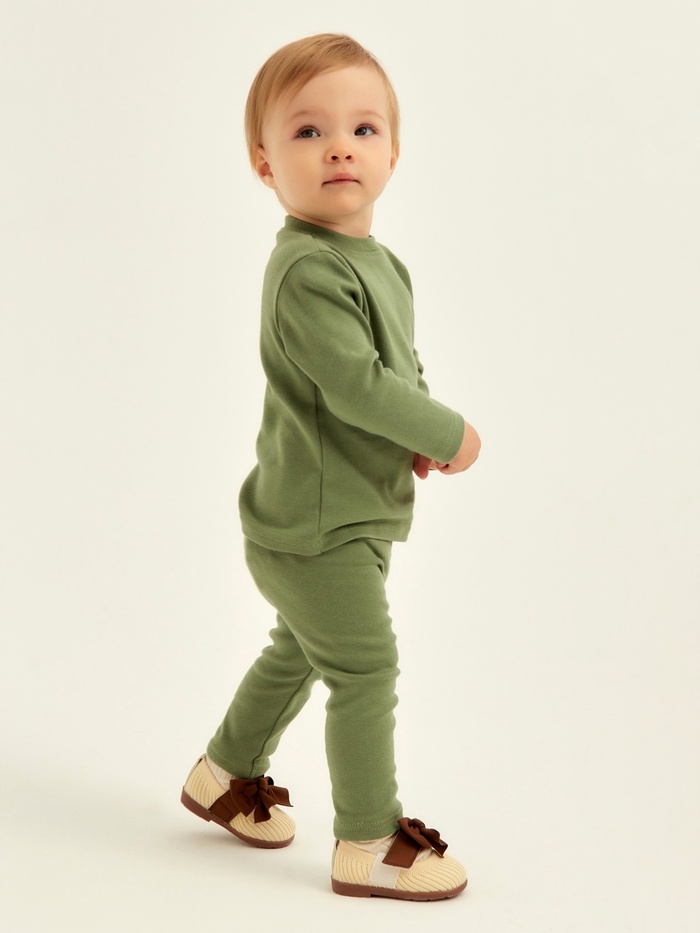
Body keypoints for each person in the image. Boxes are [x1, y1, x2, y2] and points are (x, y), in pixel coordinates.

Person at [181, 32, 481, 901]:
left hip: (346, 510)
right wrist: (449, 431)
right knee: (365, 668)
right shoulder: (307, 269)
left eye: (363, 128)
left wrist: (412, 430)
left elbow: (395, 367)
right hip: (315, 524)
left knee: (300, 650)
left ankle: (223, 773)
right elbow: (356, 386)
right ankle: (370, 838)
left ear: (393, 152)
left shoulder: (377, 262)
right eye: (308, 132)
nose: (340, 147)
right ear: (265, 164)